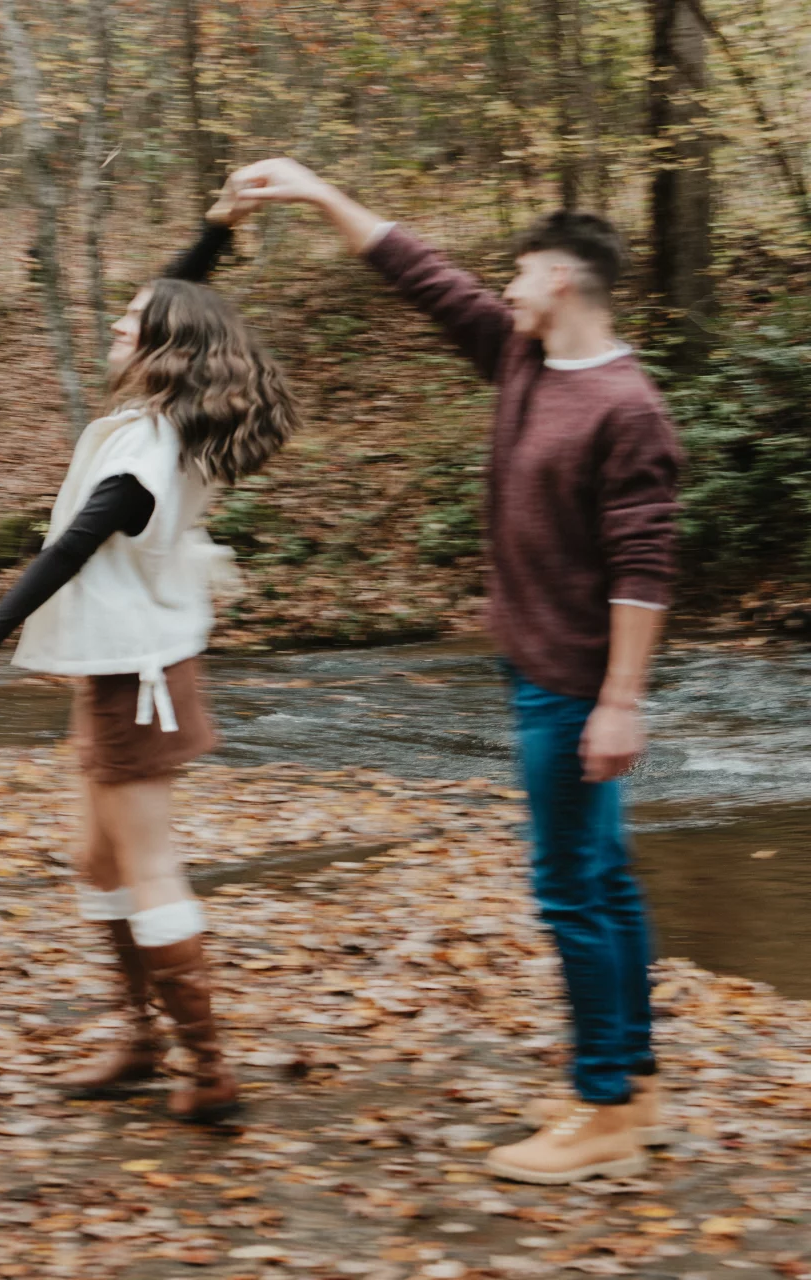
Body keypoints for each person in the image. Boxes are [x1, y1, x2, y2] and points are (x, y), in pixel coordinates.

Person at [230, 158, 682, 1183]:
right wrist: (312, 191)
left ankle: (603, 1103)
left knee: (570, 888)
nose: (503, 289)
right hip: (537, 669)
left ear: (561, 280)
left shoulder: (628, 408)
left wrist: (617, 702)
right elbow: (417, 271)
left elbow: (645, 571)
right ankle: (632, 1075)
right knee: (602, 879)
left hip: (571, 684)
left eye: (517, 274)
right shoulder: (522, 360)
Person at [0, 192, 302, 1124]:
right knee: (96, 864)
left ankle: (206, 1067)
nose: (116, 321)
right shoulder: (172, 423)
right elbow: (184, 293)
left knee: (147, 868)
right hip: (125, 671)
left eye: (130, 321)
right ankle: (138, 1041)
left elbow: (65, 552)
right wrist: (215, 227)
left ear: (163, 347)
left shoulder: (141, 456)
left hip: (140, 680)